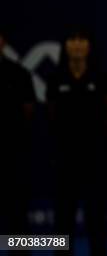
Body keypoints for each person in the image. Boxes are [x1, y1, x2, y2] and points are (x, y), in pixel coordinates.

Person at [46, 27, 107, 256]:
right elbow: (51, 116)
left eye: (81, 40)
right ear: (65, 46)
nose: (76, 44)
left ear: (89, 46)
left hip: (95, 161)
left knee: (96, 220)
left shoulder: (102, 77)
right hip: (65, 162)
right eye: (72, 40)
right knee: (62, 221)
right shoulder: (56, 79)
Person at [0, 27, 35, 239]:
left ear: (3, 42)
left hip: (12, 154)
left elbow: (28, 112)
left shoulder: (19, 74)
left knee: (17, 214)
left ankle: (19, 250)